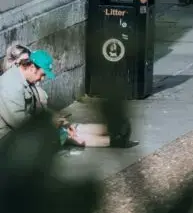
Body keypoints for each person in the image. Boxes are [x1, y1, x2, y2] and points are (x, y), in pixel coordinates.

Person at [1, 45, 134, 147]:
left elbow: (37, 110)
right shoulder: (10, 88)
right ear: (31, 68)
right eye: (42, 74)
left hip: (20, 133)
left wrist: (55, 119)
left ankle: (114, 131)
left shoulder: (23, 80)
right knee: (61, 136)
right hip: (8, 140)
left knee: (67, 128)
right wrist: (52, 125)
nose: (41, 79)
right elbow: (21, 124)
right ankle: (113, 140)